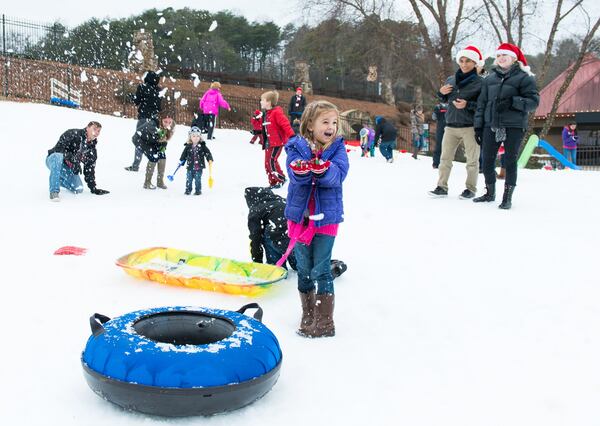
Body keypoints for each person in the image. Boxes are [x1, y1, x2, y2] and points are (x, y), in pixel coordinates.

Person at [284, 100, 350, 338]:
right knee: (303, 269)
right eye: (325, 121)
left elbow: (339, 175)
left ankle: (325, 322)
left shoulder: (338, 149)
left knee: (321, 269)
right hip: (300, 219)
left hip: (326, 220)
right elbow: (292, 173)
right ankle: (308, 313)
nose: (331, 126)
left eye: (334, 122)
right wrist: (301, 172)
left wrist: (324, 170)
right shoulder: (296, 146)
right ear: (310, 125)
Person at [473, 43, 540, 209]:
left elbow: (533, 102)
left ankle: (507, 197)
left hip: (514, 125)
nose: (501, 58)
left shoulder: (525, 78)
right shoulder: (489, 79)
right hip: (491, 124)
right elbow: (481, 104)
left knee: (510, 160)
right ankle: (489, 192)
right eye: (499, 56)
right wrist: (478, 126)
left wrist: (513, 102)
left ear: (514, 58)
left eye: (505, 55)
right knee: (487, 160)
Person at [244, 186, 348, 276]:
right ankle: (327, 267)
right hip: (298, 236)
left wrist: (257, 264)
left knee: (267, 232)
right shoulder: (282, 201)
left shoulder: (256, 209)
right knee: (300, 265)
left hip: (280, 238)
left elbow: (255, 239)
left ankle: (276, 269)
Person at [428, 45, 484, 199]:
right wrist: (440, 93)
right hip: (451, 125)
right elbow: (444, 98)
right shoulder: (451, 79)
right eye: (462, 60)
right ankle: (441, 187)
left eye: (468, 61)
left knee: (472, 161)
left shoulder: (481, 83)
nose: (464, 64)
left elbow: (483, 106)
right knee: (444, 159)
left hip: (470, 127)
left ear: (475, 63)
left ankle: (470, 189)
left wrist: (468, 105)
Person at [46, 121, 109, 201]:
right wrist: (72, 159)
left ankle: (56, 178)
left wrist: (93, 188)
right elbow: (59, 149)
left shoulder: (91, 150)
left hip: (66, 168)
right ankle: (54, 192)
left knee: (78, 188)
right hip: (53, 159)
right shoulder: (73, 134)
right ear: (87, 128)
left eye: (98, 131)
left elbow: (89, 169)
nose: (96, 132)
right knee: (58, 156)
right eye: (94, 129)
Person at [125, 70, 162, 172]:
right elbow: (159, 107)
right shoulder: (159, 90)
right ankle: (156, 162)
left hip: (143, 118)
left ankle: (136, 165)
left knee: (139, 140)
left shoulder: (142, 87)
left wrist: (132, 97)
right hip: (154, 119)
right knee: (152, 141)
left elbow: (137, 101)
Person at [260, 90, 295, 188]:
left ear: (268, 102)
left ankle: (281, 179)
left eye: (262, 100)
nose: (260, 102)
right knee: (267, 164)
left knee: (271, 161)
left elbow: (285, 124)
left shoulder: (276, 113)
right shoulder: (267, 114)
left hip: (277, 143)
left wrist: (292, 136)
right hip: (269, 143)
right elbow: (265, 127)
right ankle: (273, 182)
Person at [134, 111, 176, 190]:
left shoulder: (171, 126)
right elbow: (156, 139)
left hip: (153, 141)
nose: (168, 124)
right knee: (153, 157)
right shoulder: (153, 125)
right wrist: (160, 142)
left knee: (162, 156)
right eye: (165, 121)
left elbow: (163, 140)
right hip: (142, 140)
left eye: (170, 122)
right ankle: (147, 183)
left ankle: (160, 181)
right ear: (161, 120)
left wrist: (162, 146)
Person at [179, 127, 213, 195]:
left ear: (200, 137)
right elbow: (184, 155)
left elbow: (207, 153)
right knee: (189, 179)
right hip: (190, 167)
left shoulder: (202, 146)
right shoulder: (188, 146)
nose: (196, 137)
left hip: (199, 167)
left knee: (198, 179)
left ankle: (198, 190)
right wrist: (181, 161)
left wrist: (209, 159)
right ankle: (188, 190)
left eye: (198, 136)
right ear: (190, 137)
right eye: (193, 136)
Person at [431, 102, 448, 168]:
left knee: (439, 145)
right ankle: (444, 163)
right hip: (449, 127)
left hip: (441, 127)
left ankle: (436, 163)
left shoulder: (438, 106)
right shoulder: (452, 104)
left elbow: (434, 117)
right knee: (447, 147)